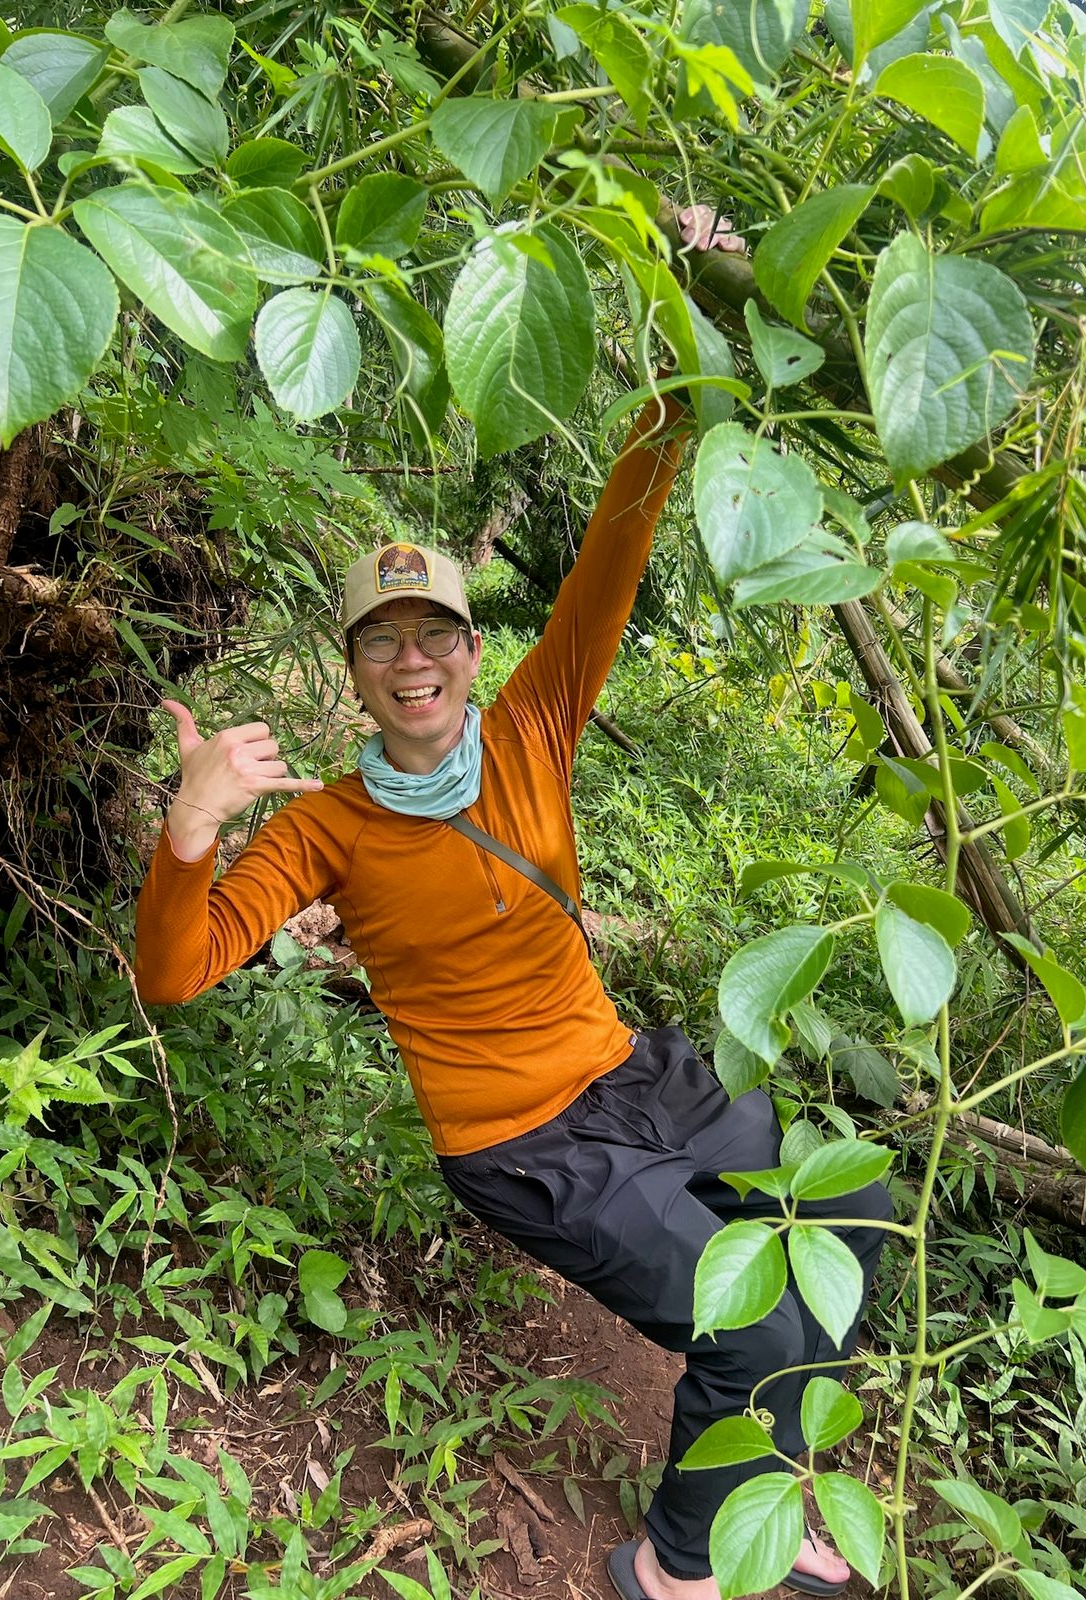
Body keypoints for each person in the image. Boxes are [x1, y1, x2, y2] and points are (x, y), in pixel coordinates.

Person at [135, 391, 890, 1600]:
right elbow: (174, 972)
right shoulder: (326, 827)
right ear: (354, 673)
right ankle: (676, 1566)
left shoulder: (535, 721)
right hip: (525, 1139)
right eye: (382, 640)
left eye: (435, 631)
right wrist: (191, 825)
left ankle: (765, 1488)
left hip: (631, 1072)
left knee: (854, 1209)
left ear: (474, 651)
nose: (413, 659)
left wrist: (673, 402)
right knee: (749, 1324)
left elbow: (609, 563)